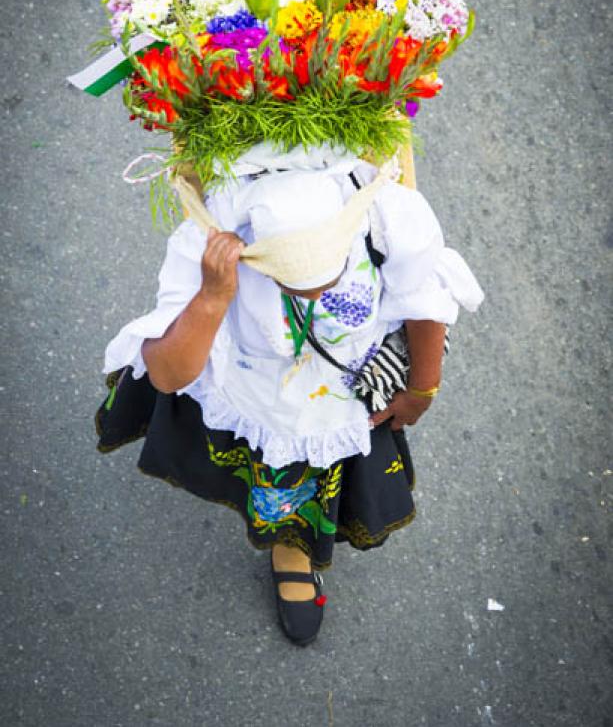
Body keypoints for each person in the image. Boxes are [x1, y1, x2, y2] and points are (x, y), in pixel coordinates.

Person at [95, 156, 484, 645]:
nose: (313, 295)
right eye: (292, 280)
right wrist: (213, 298)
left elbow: (422, 297)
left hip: (342, 404)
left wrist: (422, 388)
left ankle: (294, 549)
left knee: (312, 487)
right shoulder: (210, 234)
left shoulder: (384, 212)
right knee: (274, 484)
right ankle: (286, 541)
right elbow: (168, 375)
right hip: (256, 399)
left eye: (329, 275)